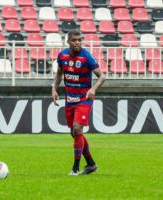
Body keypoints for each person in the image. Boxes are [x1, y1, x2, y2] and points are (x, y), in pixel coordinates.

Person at [52, 30, 106, 176]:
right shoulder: (62, 55)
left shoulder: (86, 56)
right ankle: (91, 164)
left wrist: (93, 89)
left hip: (84, 99)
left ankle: (75, 168)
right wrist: (54, 89)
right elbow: (59, 74)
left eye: (79, 40)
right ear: (68, 41)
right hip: (70, 100)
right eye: (74, 40)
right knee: (75, 133)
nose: (77, 42)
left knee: (77, 129)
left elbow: (102, 76)